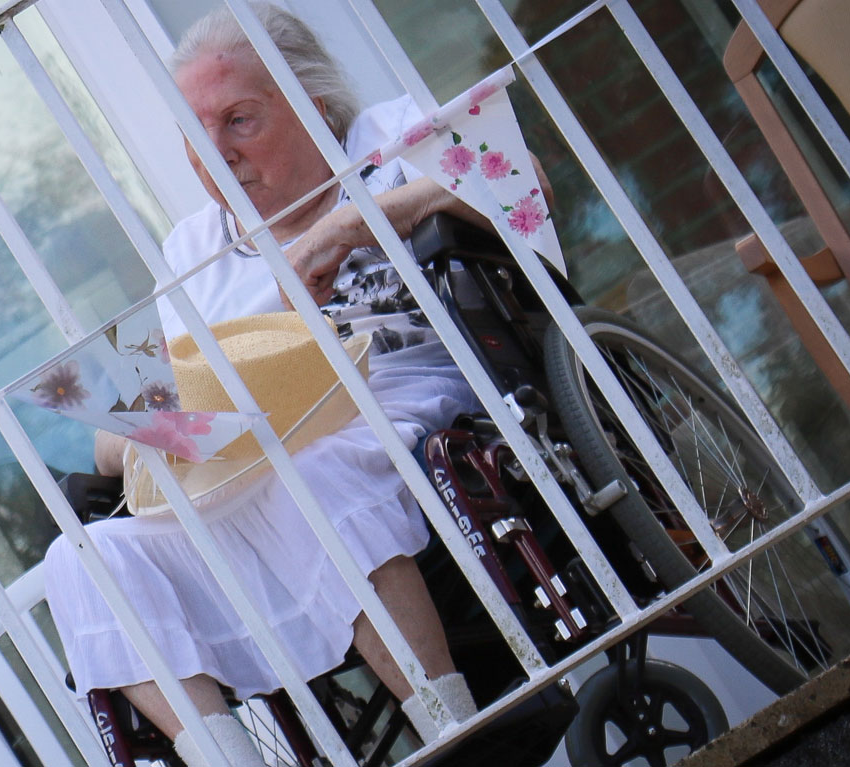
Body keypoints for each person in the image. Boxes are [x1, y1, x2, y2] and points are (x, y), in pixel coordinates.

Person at [41, 5, 533, 764]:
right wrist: (147, 432)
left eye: (240, 120)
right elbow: (119, 428)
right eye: (197, 133)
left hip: (402, 399)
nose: (219, 155)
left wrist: (356, 222)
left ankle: (452, 724)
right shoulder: (191, 249)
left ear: (314, 103)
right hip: (248, 464)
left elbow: (525, 195)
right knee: (85, 559)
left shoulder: (389, 138)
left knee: (307, 473)